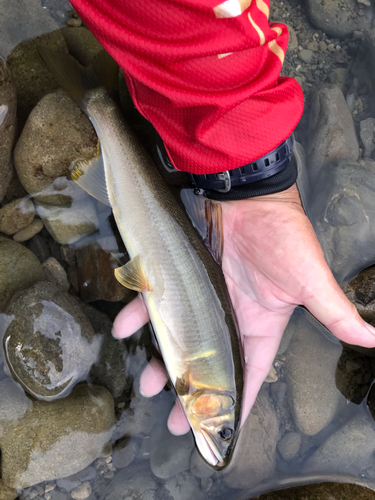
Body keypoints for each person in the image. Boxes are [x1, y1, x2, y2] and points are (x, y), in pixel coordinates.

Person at [70, 0, 375, 435]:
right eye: (222, 431)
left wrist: (254, 178)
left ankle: (102, 100)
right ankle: (100, 102)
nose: (216, 432)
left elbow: (193, 14)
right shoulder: (201, 386)